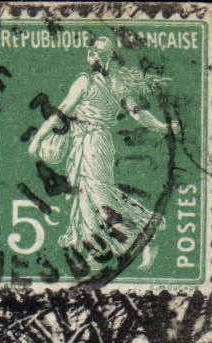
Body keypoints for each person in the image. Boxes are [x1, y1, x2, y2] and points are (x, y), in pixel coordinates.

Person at [28, 36, 173, 266]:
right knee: (85, 196)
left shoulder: (87, 82)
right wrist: (163, 127)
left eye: (93, 53)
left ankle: (142, 238)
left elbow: (61, 113)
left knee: (97, 195)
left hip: (92, 144)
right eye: (89, 53)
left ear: (104, 57)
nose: (89, 57)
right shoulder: (113, 83)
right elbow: (137, 113)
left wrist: (37, 140)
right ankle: (100, 245)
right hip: (93, 142)